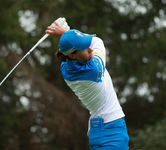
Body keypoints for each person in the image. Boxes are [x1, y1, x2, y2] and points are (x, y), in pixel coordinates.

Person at [46, 21, 129, 150]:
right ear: (72, 55)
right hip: (111, 132)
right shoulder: (94, 69)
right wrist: (66, 33)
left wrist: (69, 37)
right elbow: (98, 41)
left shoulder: (66, 66)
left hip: (99, 131)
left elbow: (78, 47)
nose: (90, 49)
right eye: (85, 48)